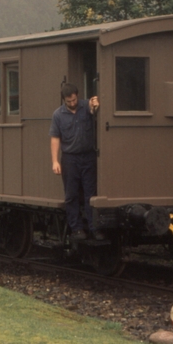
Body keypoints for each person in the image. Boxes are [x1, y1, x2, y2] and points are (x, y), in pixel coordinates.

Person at [49, 83, 102, 241]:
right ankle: (77, 229)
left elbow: (94, 111)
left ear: (77, 95)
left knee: (90, 194)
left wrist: (95, 106)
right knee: (71, 195)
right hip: (69, 158)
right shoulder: (58, 114)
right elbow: (55, 138)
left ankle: (94, 228)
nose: (72, 104)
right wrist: (55, 161)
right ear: (64, 100)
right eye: (68, 102)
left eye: (73, 100)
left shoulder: (86, 106)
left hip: (88, 156)